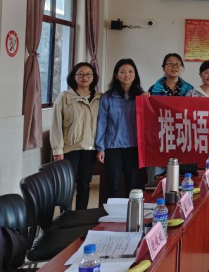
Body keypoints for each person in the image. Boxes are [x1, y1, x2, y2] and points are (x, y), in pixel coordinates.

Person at [50, 62, 102, 210]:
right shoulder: (65, 97)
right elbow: (56, 125)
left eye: (88, 74)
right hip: (69, 149)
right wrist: (57, 150)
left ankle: (81, 216)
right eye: (81, 74)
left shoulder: (99, 98)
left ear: (93, 77)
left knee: (84, 185)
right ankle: (65, 216)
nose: (85, 77)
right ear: (74, 76)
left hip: (90, 148)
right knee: (67, 185)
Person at [96, 59, 146, 201]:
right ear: (116, 75)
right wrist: (100, 147)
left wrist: (147, 99)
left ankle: (131, 212)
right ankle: (110, 212)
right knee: (112, 183)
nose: (127, 75)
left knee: (133, 184)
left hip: (134, 146)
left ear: (135, 75)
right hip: (113, 146)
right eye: (123, 72)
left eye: (130, 72)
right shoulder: (108, 96)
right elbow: (102, 122)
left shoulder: (141, 97)